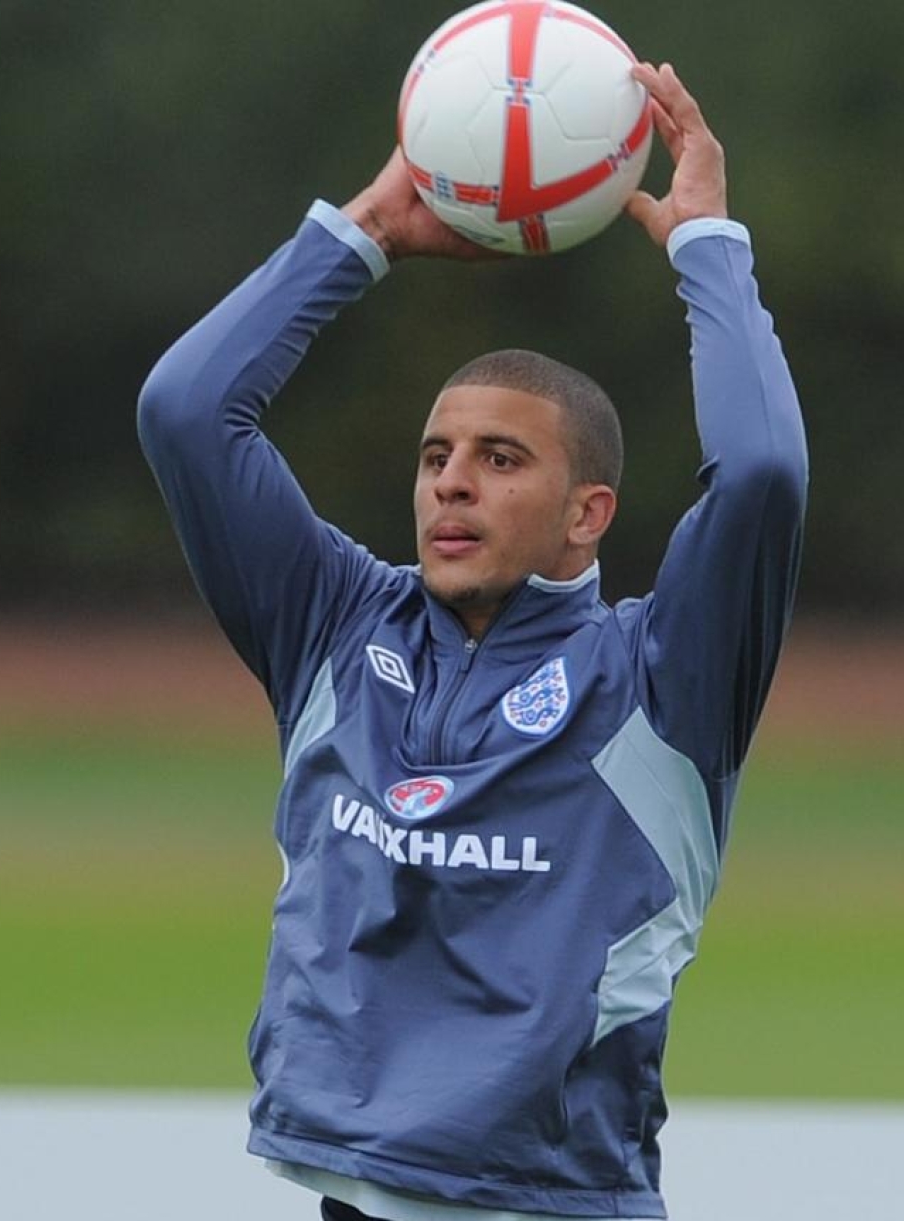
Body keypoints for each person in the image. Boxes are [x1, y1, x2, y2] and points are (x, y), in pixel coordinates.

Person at [137, 65, 805, 1221]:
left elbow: (761, 474)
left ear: (586, 513)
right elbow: (188, 411)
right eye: (437, 455)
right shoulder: (339, 626)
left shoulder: (659, 678)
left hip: (552, 1201)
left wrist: (708, 249)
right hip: (350, 1189)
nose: (452, 482)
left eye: (502, 460)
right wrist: (366, 234)